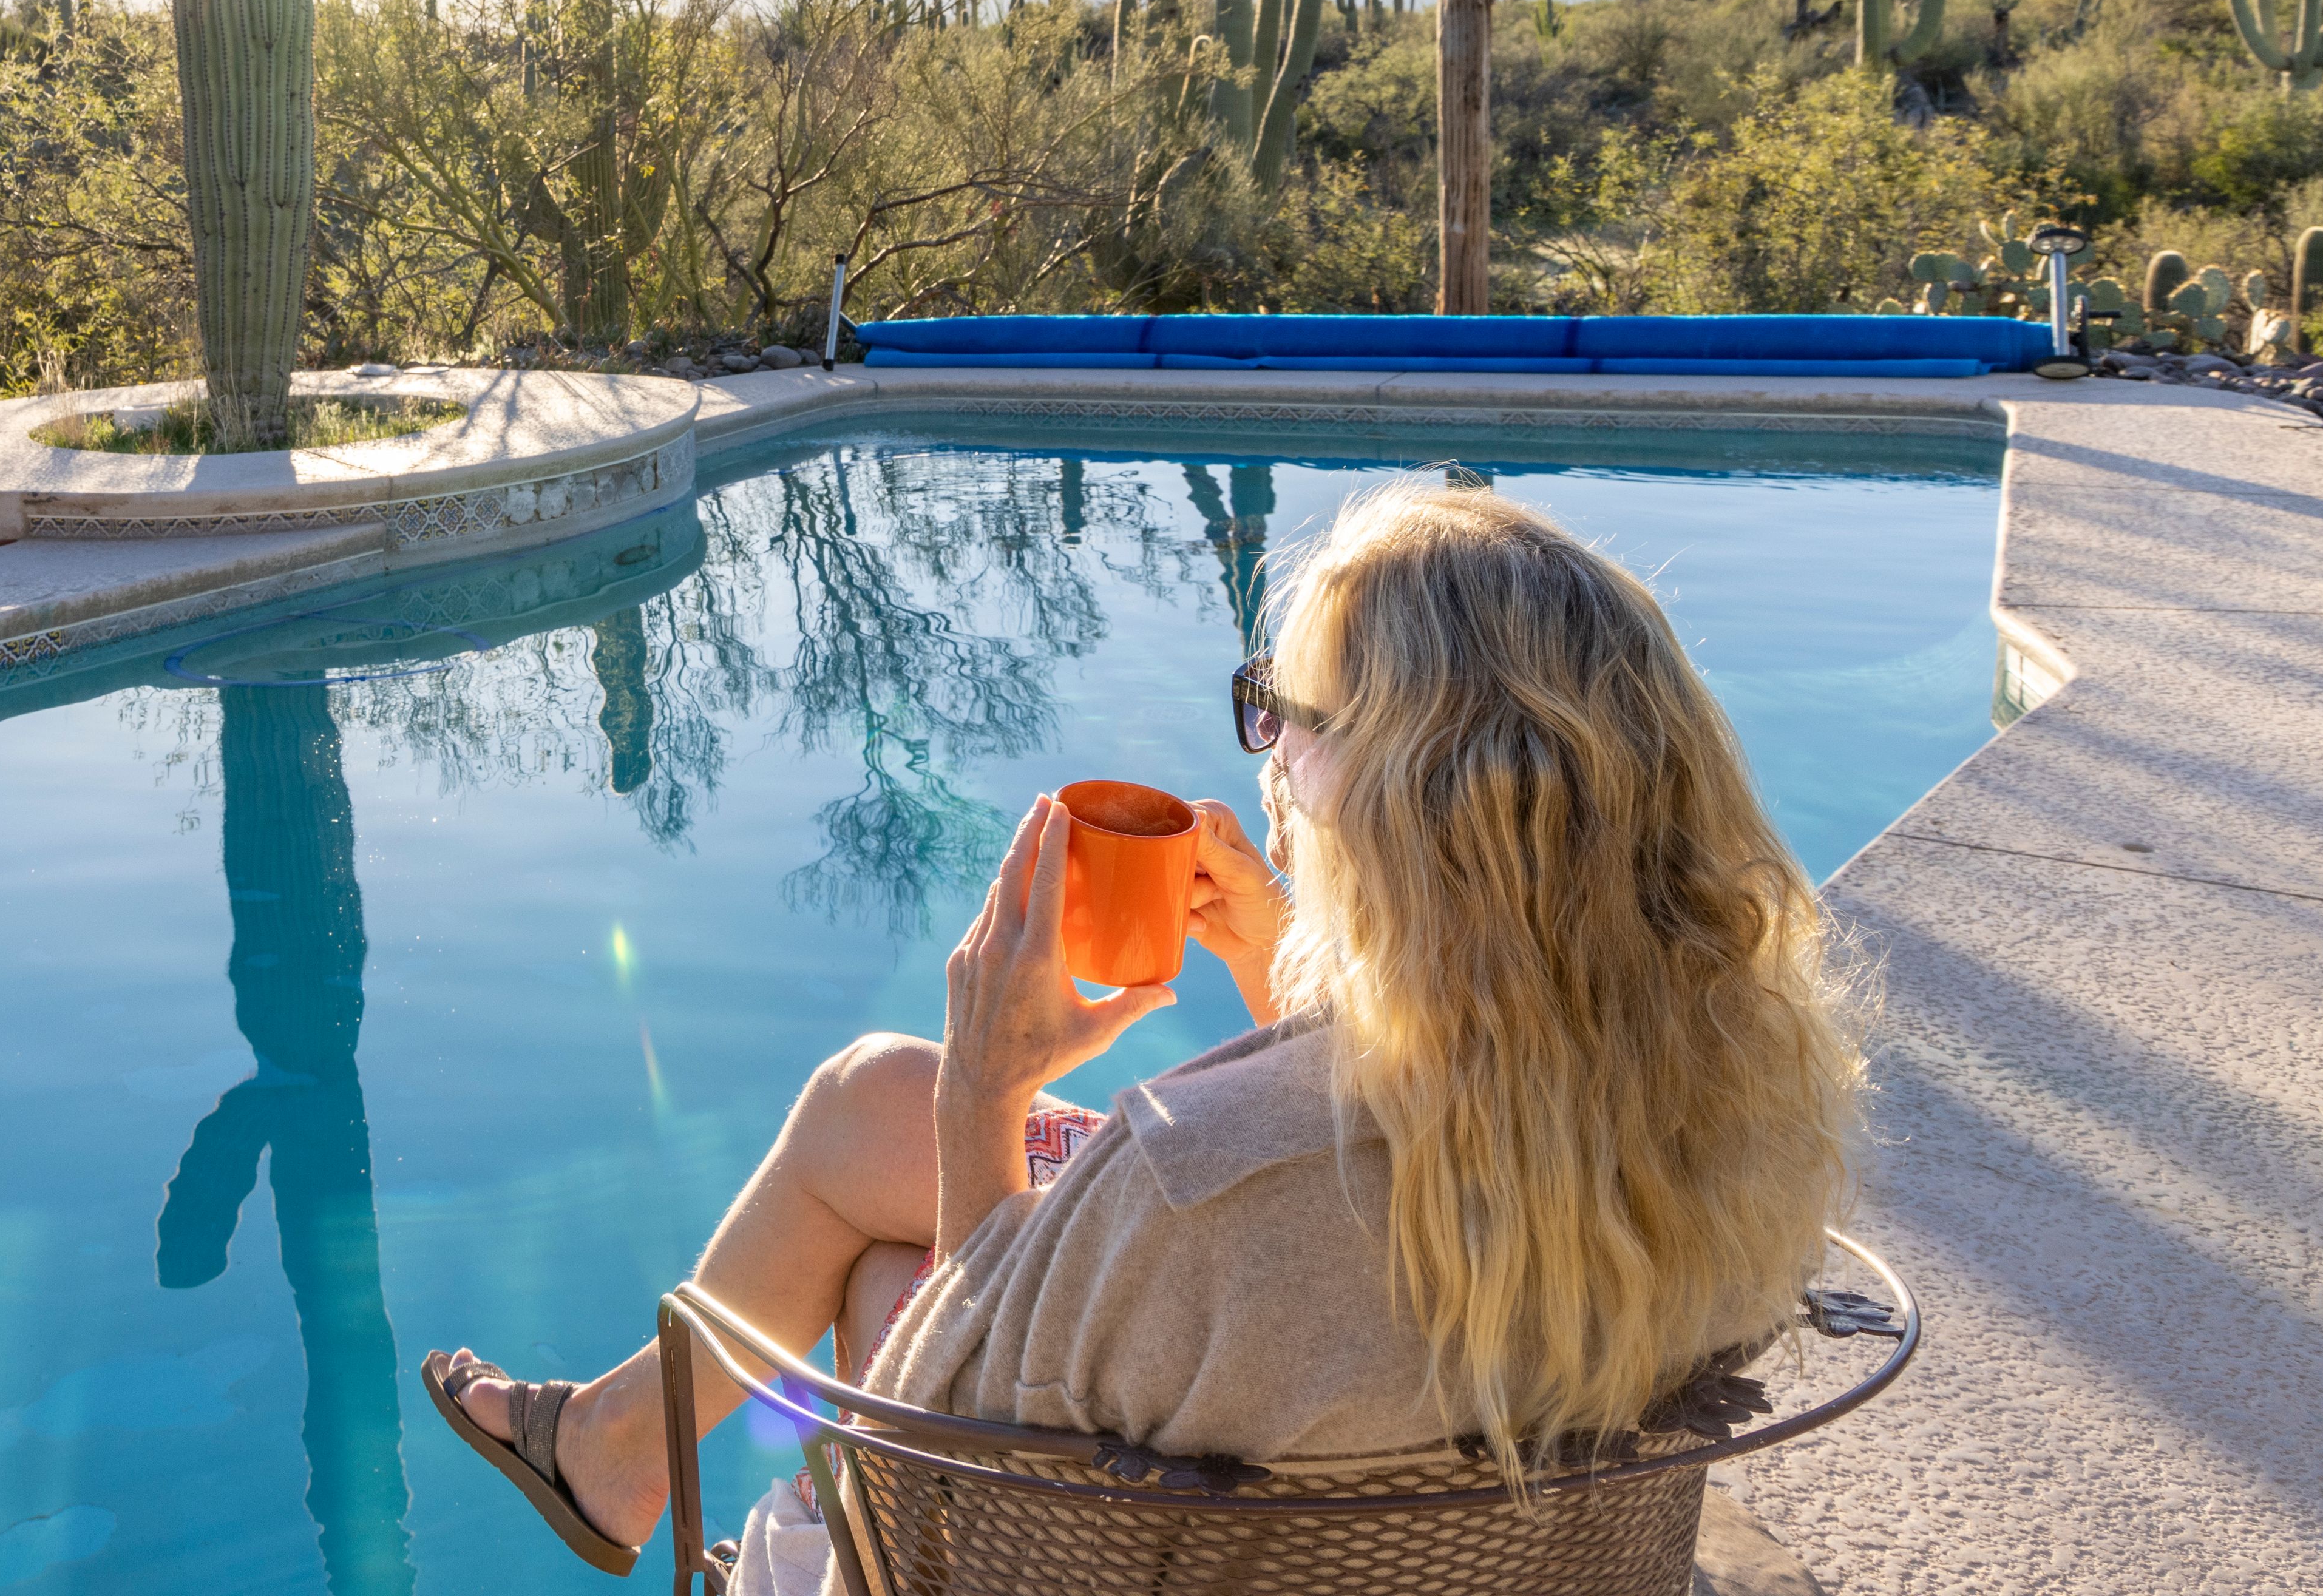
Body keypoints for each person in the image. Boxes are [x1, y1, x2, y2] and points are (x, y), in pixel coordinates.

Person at [426, 479, 1860, 1578]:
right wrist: (1285, 961)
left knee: (885, 1284)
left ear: (1408, 796)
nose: (1273, 763)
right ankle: (622, 1445)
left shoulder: (1201, 1180)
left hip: (1048, 1554)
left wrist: (983, 1093)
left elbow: (967, 1435)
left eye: (1282, 717)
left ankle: (633, 1458)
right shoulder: (1741, 1091)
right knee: (872, 1103)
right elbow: (1416, 1165)